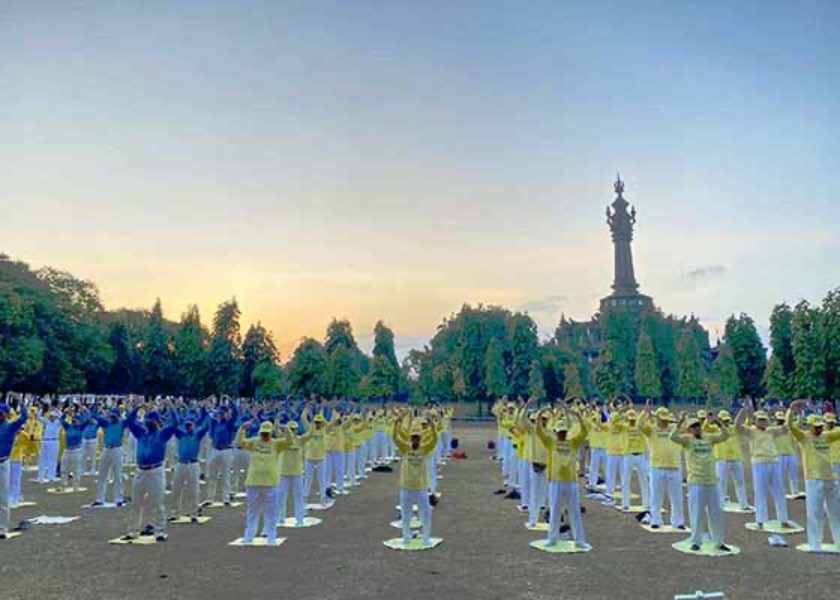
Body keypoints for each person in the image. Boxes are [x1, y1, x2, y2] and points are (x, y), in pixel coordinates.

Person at [670, 413, 732, 552]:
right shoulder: (687, 440)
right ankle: (696, 541)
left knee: (715, 513)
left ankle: (719, 541)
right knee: (697, 513)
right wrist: (679, 424)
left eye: (698, 425)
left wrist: (719, 424)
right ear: (689, 430)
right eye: (693, 427)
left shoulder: (709, 438)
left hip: (711, 480)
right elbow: (672, 437)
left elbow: (725, 436)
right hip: (696, 481)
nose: (697, 428)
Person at [786, 401, 840, 551]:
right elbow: (790, 426)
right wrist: (791, 410)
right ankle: (815, 544)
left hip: (831, 479)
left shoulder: (827, 437)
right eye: (816, 427)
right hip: (814, 479)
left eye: (820, 427)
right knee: (815, 513)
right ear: (809, 426)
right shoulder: (804, 438)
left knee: (836, 513)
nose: (819, 429)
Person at [121, 406, 179, 542]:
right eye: (147, 420)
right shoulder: (141, 433)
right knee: (136, 503)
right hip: (140, 470)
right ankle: (133, 531)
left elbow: (175, 423)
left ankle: (159, 531)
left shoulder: (162, 434)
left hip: (156, 471)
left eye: (151, 420)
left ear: (157, 422)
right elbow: (129, 422)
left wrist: (172, 408)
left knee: (157, 502)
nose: (148, 422)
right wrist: (136, 408)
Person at [534, 403, 588, 548]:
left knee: (574, 511)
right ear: (556, 431)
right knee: (555, 510)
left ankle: (579, 540)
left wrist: (577, 417)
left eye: (564, 431)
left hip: (571, 481)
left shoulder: (572, 442)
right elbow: (538, 431)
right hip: (556, 481)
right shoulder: (551, 442)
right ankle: (552, 538)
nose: (562, 434)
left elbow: (584, 432)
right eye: (559, 432)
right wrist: (540, 415)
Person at [736, 403, 793, 529]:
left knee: (779, 491)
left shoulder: (771, 431)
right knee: (760, 492)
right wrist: (742, 412)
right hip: (759, 462)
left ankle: (783, 519)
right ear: (755, 421)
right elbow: (737, 426)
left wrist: (790, 411)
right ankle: (760, 520)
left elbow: (786, 427)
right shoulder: (751, 431)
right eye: (760, 420)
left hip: (774, 462)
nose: (762, 422)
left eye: (764, 420)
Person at [236, 420, 292, 545]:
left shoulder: (276, 444)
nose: (265, 435)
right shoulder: (254, 442)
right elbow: (239, 443)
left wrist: (286, 430)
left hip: (270, 483)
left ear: (271, 433)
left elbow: (290, 443)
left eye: (267, 433)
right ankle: (249, 536)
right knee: (252, 511)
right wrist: (242, 429)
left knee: (271, 512)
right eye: (263, 433)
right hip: (253, 482)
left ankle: (271, 537)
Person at [392, 413, 439, 547]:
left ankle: (426, 538)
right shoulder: (405, 448)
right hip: (406, 487)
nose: (415, 441)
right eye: (413, 438)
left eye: (417, 438)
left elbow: (434, 440)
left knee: (425, 514)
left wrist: (432, 425)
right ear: (410, 439)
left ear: (420, 439)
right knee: (405, 515)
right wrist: (397, 424)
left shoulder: (424, 448)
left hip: (421, 488)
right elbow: (395, 438)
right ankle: (406, 538)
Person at [640, 406, 685, 529]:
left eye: (666, 419)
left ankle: (678, 522)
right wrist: (645, 412)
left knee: (677, 497)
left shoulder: (674, 428)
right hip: (656, 466)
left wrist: (681, 420)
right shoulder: (651, 430)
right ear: (657, 419)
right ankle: (655, 520)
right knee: (656, 496)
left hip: (674, 466)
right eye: (662, 419)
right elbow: (639, 425)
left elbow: (686, 429)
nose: (665, 421)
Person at [170, 411, 210, 521]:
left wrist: (206, 412)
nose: (188, 427)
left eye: (190, 425)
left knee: (194, 490)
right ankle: (174, 512)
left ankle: (194, 513)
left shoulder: (197, 435)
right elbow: (174, 425)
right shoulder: (181, 434)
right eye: (187, 425)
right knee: (176, 489)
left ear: (194, 425)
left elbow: (206, 426)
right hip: (181, 463)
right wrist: (173, 410)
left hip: (193, 464)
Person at [275, 420, 311, 527]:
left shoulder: (300, 440)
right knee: (281, 496)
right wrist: (278, 421)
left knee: (299, 497)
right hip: (283, 473)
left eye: (294, 429)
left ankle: (299, 519)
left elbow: (310, 434)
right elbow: (275, 429)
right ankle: (279, 518)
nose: (293, 431)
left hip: (297, 473)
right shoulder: (281, 441)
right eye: (291, 429)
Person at [0, 402, 28, 539]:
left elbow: (24, 417)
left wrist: (21, 404)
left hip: (3, 462)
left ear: (6, 414)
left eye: (1, 412)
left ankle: (2, 528)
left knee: (3, 497)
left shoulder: (10, 427)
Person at [713, 410, 750, 510]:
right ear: (719, 420)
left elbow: (743, 424)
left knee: (740, 482)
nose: (726, 422)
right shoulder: (714, 429)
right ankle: (720, 504)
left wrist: (743, 412)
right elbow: (705, 427)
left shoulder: (734, 428)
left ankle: (744, 504)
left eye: (727, 420)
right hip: (722, 458)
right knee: (721, 483)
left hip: (735, 458)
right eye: (724, 421)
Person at [92, 407, 127, 506]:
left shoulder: (122, 423)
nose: (112, 418)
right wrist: (96, 407)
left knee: (117, 474)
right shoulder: (107, 423)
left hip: (117, 449)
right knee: (102, 474)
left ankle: (119, 498)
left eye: (114, 416)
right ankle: (99, 499)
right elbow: (95, 416)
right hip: (106, 448)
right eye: (111, 416)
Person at [204, 404, 239, 506]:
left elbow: (235, 413)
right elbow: (206, 414)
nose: (220, 415)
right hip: (215, 450)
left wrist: (231, 402)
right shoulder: (214, 424)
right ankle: (210, 498)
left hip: (226, 450)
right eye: (219, 413)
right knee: (212, 475)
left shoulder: (228, 424)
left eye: (222, 413)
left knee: (226, 475)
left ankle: (226, 498)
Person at [619, 408, 650, 510]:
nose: (632, 420)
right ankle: (625, 503)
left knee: (644, 480)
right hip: (628, 455)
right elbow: (614, 421)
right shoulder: (624, 427)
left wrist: (644, 412)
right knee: (625, 480)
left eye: (633, 418)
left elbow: (646, 421)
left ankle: (646, 504)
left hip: (641, 455)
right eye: (630, 418)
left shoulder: (640, 426)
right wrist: (621, 413)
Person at [303, 410, 331, 507]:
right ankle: (304, 499)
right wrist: (306, 409)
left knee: (321, 480)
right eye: (316, 422)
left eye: (319, 422)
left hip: (321, 459)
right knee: (308, 480)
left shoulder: (325, 430)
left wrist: (322, 417)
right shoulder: (310, 428)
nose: (317, 424)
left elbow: (330, 425)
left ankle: (323, 499)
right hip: (309, 458)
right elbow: (303, 419)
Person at [60, 407, 91, 491]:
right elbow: (61, 420)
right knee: (64, 468)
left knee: (76, 469)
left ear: (79, 421)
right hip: (67, 449)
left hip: (76, 450)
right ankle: (64, 484)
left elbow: (88, 419)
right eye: (73, 420)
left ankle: (76, 486)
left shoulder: (81, 427)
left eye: (76, 420)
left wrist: (86, 410)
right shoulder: (68, 427)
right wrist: (65, 412)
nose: (74, 422)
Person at [774, 410, 802, 497]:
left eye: (782, 419)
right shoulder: (773, 430)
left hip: (791, 453)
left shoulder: (789, 427)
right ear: (775, 419)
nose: (781, 421)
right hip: (779, 455)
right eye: (779, 419)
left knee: (793, 474)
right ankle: (779, 492)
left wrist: (799, 413)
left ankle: (795, 492)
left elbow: (798, 423)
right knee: (780, 475)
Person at [35, 407, 62, 483]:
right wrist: (43, 408)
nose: (52, 418)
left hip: (54, 441)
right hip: (45, 441)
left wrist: (57, 410)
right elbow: (38, 417)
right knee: (42, 459)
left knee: (52, 460)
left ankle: (51, 477)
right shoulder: (47, 422)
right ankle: (40, 477)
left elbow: (63, 417)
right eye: (51, 416)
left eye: (53, 416)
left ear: (56, 417)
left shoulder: (58, 423)